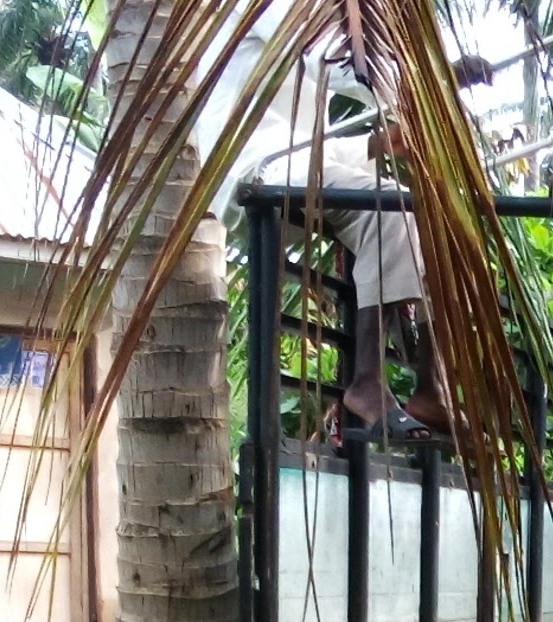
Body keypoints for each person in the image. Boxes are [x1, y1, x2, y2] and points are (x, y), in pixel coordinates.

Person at [206, 41, 496, 440]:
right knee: (391, 207)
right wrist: (440, 79)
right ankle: (366, 381)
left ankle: (432, 388)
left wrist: (380, 143)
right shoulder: (275, 19)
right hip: (258, 172)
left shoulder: (306, 51)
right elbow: (337, 64)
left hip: (291, 170)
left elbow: (307, 146)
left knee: (433, 222)